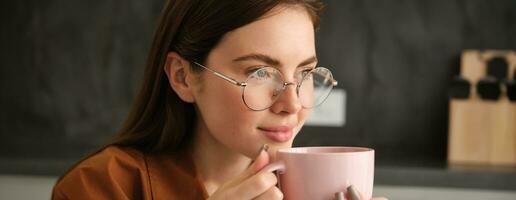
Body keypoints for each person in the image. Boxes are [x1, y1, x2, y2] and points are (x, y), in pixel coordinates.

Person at [52, 0, 386, 199]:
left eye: (304, 74)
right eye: (259, 73)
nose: (292, 104)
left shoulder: (312, 192)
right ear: (183, 77)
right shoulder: (100, 187)